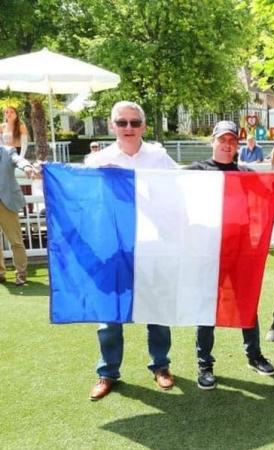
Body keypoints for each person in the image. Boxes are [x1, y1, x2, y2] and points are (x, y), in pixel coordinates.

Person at [85, 101, 178, 401]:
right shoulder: (97, 161)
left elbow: (186, 185)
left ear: (143, 126)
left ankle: (160, 366)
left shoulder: (159, 157)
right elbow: (82, 197)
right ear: (112, 126)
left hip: (152, 247)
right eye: (122, 122)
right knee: (109, 315)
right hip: (112, 250)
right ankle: (107, 372)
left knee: (158, 310)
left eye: (134, 122)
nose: (128, 128)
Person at [183, 121, 274, 390]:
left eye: (232, 141)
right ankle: (205, 364)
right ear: (212, 141)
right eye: (222, 140)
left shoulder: (245, 173)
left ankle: (254, 355)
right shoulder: (196, 171)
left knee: (247, 302)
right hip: (208, 251)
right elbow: (165, 184)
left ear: (237, 145)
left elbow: (271, 189)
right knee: (206, 308)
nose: (227, 145)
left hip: (241, 250)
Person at [0, 145, 37, 286]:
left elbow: (19, 160)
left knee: (15, 241)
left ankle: (21, 274)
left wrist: (27, 167)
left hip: (7, 202)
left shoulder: (8, 151)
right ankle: (0, 273)